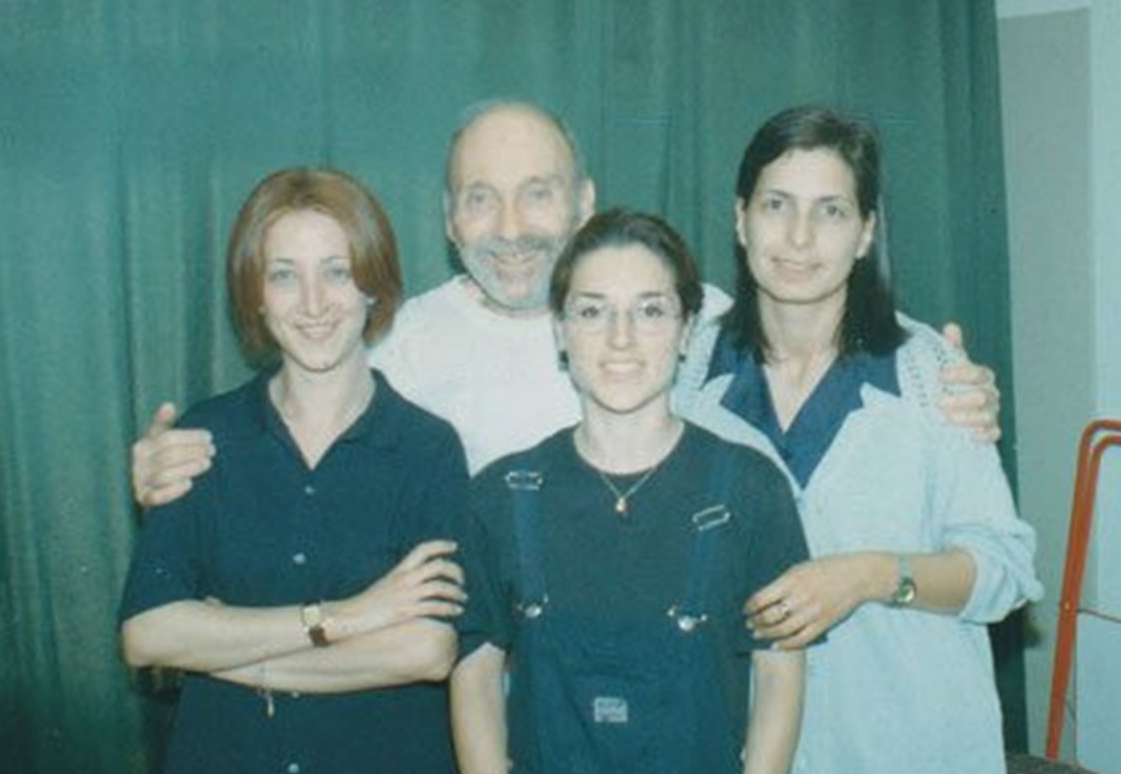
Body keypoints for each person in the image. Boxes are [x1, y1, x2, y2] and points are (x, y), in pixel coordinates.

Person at [130, 100, 1002, 497]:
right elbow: (295, 424)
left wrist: (946, 377)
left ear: (584, 202)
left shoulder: (685, 318)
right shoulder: (401, 345)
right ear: (448, 219)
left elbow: (807, 315)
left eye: (538, 194)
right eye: (481, 198)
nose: (511, 227)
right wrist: (182, 465)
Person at [672, 106, 1045, 774]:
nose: (800, 237)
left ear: (866, 231)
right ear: (739, 217)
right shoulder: (690, 371)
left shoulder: (930, 373)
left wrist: (873, 574)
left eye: (831, 210)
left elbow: (1005, 569)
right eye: (777, 205)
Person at [117, 168, 476, 774]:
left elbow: (424, 649)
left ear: (374, 284)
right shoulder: (200, 441)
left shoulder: (426, 449)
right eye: (285, 274)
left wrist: (231, 651)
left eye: (336, 271)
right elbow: (148, 633)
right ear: (256, 293)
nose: (313, 302)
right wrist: (350, 614)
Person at [448, 209, 808, 774]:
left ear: (685, 330)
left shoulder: (750, 490)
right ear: (560, 331)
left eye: (649, 310)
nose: (621, 338)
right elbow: (473, 677)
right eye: (593, 311)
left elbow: (781, 675)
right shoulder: (502, 494)